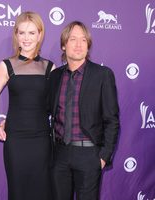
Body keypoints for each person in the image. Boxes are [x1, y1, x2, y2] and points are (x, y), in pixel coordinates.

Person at [0, 11, 55, 200]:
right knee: (18, 191)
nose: (26, 38)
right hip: (15, 139)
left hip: (42, 139)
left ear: (40, 35)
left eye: (32, 33)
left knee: (43, 190)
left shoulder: (50, 68)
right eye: (22, 32)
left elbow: (55, 105)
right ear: (16, 35)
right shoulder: (6, 65)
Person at [48, 21, 120, 200]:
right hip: (60, 155)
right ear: (64, 45)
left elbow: (112, 120)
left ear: (88, 45)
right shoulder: (55, 76)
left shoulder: (102, 75)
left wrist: (102, 157)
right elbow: (45, 111)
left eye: (83, 40)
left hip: (89, 155)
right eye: (73, 39)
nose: (79, 44)